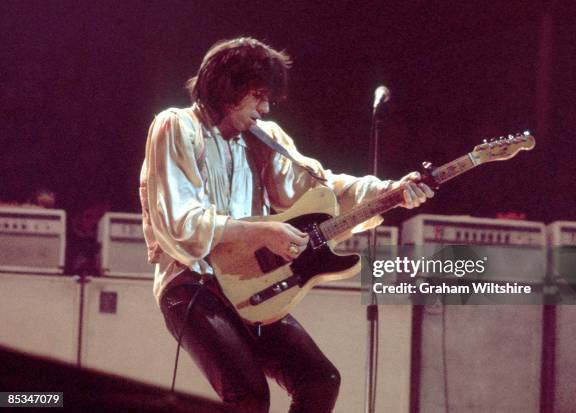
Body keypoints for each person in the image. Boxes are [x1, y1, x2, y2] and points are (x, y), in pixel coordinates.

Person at [139, 37, 433, 413]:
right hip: (192, 284)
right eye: (257, 95)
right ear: (228, 89)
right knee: (249, 396)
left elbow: (322, 189)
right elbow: (180, 222)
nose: (264, 107)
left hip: (252, 286)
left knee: (320, 381)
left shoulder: (265, 138)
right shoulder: (176, 126)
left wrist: (390, 190)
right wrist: (263, 232)